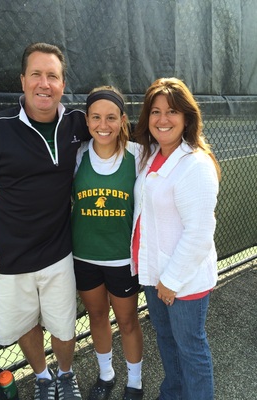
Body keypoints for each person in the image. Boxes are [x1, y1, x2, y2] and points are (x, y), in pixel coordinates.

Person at [0, 42, 91, 400]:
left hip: (58, 251)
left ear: (63, 84)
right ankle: (43, 377)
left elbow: (118, 130)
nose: (44, 84)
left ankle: (66, 374)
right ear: (23, 80)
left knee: (64, 326)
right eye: (36, 74)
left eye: (52, 76)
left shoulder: (79, 124)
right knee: (24, 325)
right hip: (8, 256)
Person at [131, 77, 221, 400]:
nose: (163, 119)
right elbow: (105, 140)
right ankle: (173, 393)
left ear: (186, 117)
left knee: (191, 348)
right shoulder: (151, 154)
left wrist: (170, 280)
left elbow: (199, 234)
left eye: (171, 111)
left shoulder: (195, 164)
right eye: (155, 112)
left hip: (182, 281)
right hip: (155, 275)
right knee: (167, 342)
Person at [71, 86, 144, 400]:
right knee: (98, 318)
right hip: (85, 257)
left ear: (123, 119)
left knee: (127, 321)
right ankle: (106, 375)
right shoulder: (77, 155)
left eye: (111, 117)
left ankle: (136, 381)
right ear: (87, 121)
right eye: (97, 117)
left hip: (121, 260)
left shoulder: (138, 156)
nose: (104, 124)